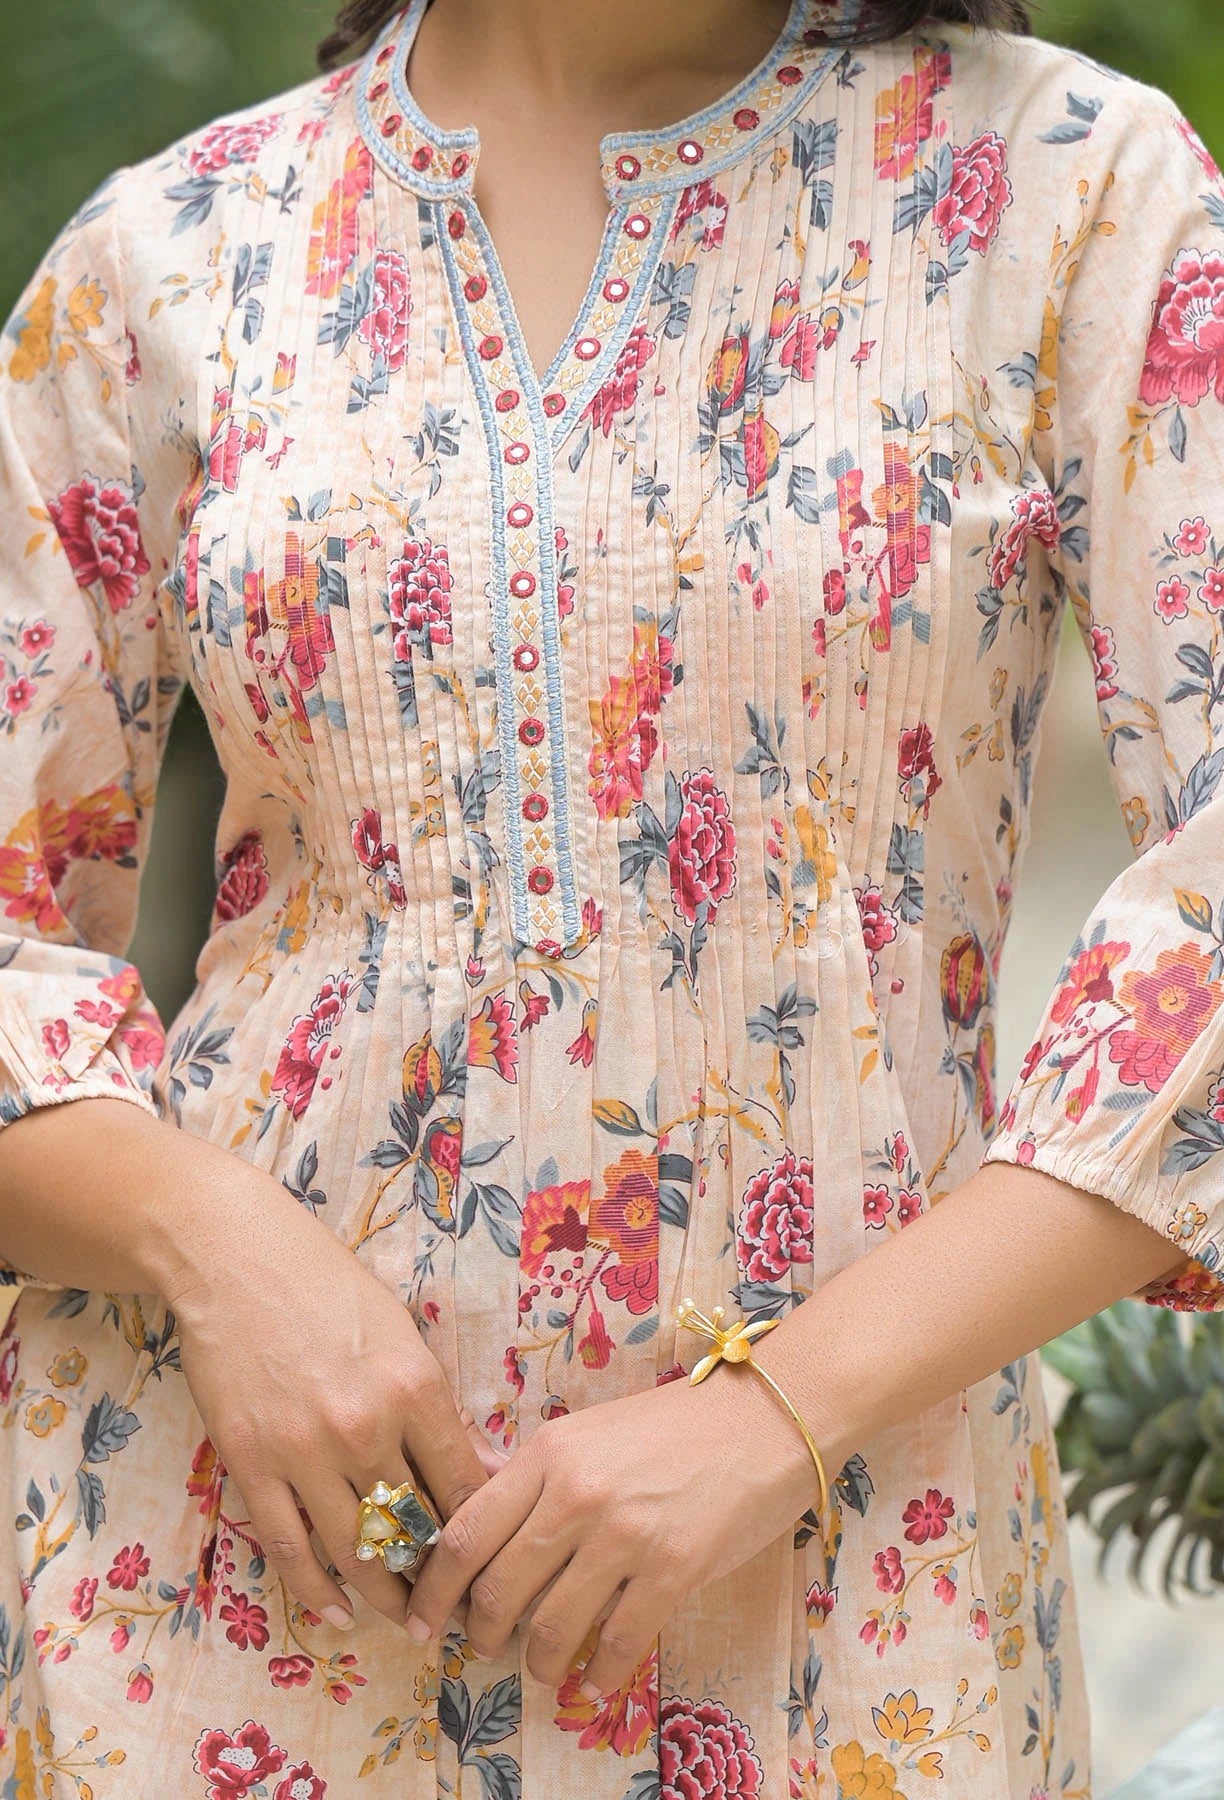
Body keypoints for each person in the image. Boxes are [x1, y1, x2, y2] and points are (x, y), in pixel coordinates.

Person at [0, 0, 1221, 1792]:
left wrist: (778, 1416)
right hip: (232, 1583)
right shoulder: (178, 248)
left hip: (848, 1602)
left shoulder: (1068, 187)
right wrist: (215, 1248)